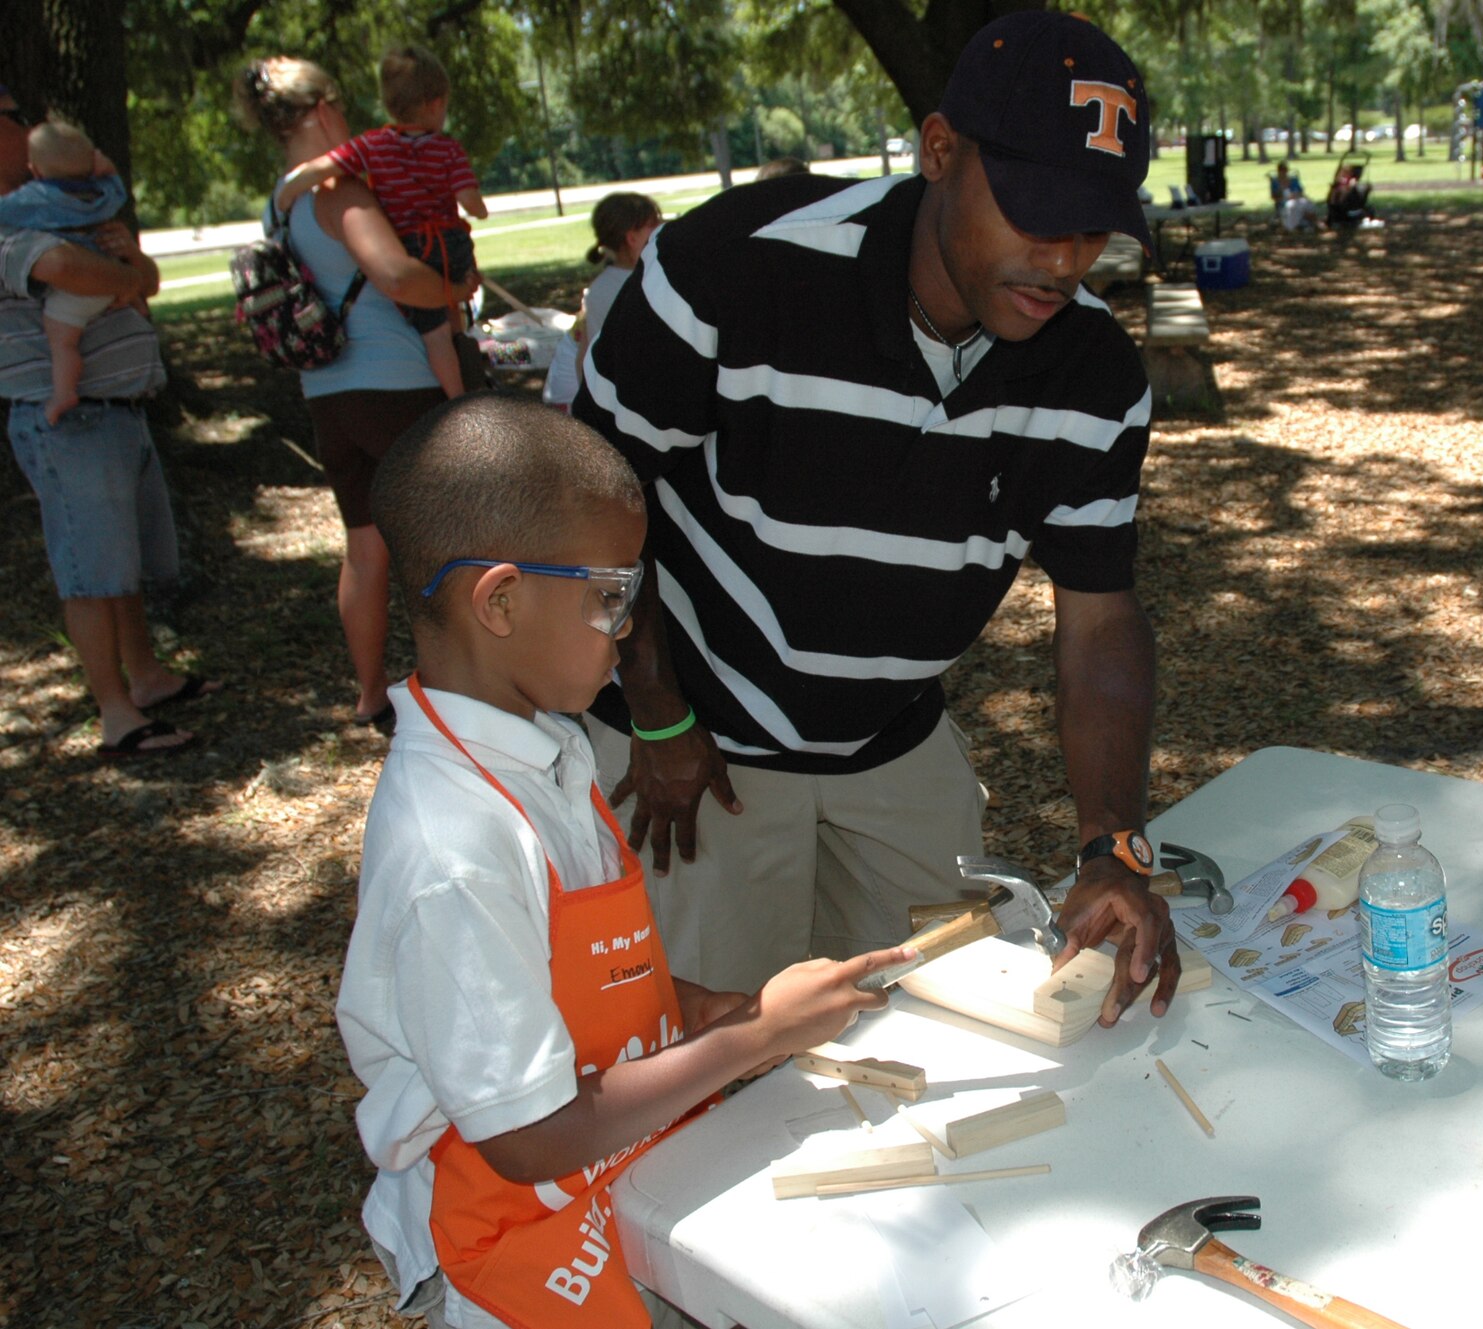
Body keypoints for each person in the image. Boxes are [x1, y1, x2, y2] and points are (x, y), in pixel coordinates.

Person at [572, 11, 1179, 1020]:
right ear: (939, 150)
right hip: (693, 743)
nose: (1064, 261)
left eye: (1093, 229)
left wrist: (1111, 845)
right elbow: (589, 508)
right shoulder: (733, 265)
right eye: (1036, 215)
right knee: (709, 1048)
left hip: (890, 739)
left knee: (953, 1026)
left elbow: (1100, 619)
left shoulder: (1093, 370)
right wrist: (657, 710)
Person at [339, 392, 905, 1329]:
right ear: (500, 601)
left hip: (614, 1189)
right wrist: (753, 1039)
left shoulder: (545, 747)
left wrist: (684, 1003)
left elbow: (561, 969)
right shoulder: (455, 847)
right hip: (518, 1255)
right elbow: (527, 1136)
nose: (632, 625)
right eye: (610, 596)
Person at [236, 56, 474, 731]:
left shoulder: (279, 201)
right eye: (338, 102)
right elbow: (395, 274)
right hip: (395, 383)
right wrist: (458, 288)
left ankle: (371, 695)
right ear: (320, 110)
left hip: (327, 393)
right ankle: (459, 694)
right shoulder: (340, 191)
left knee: (364, 546)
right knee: (444, 542)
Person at [1, 83, 221, 757]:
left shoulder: (65, 206)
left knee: (120, 565)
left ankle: (146, 677)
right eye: (13, 116)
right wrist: (121, 276)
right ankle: (116, 714)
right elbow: (65, 267)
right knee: (92, 575)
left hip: (118, 412)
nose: (27, 124)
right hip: (71, 424)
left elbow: (143, 278)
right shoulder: (11, 223)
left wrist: (127, 267)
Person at [273, 44, 486, 399]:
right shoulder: (447, 149)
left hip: (409, 245)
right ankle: (463, 399)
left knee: (434, 335)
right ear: (436, 104)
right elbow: (467, 201)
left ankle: (460, 392)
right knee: (451, 329)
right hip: (448, 245)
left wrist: (289, 190)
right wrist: (479, 211)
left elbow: (324, 166)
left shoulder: (371, 146)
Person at [0, 119, 129, 424]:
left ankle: (64, 392)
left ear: (36, 170)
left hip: (75, 294)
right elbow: (119, 188)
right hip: (109, 274)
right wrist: (106, 168)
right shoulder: (102, 193)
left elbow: (63, 265)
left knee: (63, 342)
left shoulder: (36, 198)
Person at [543, 192, 661, 412]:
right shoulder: (628, 287)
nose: (662, 228)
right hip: (596, 399)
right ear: (632, 238)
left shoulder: (610, 284)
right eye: (654, 224)